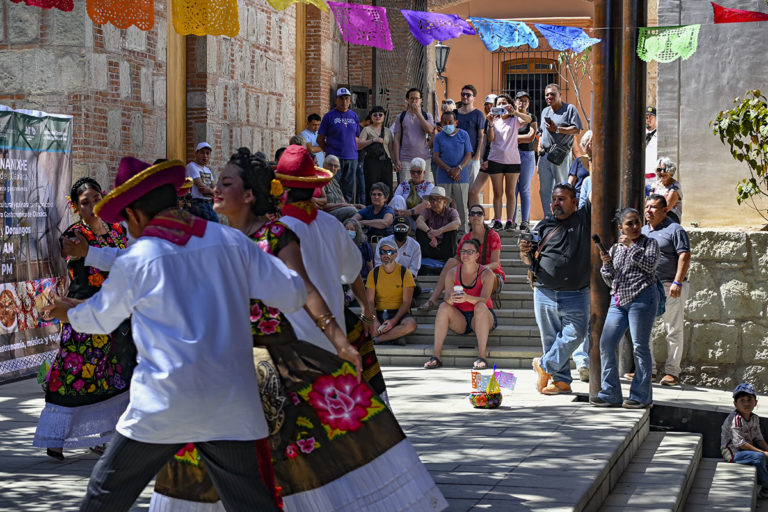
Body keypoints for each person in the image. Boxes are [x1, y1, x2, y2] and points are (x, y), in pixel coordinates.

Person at [44, 157, 307, 511]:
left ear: (135, 216)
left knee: (105, 496)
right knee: (252, 505)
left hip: (163, 404)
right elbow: (292, 294)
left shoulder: (139, 258)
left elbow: (99, 318)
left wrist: (67, 310)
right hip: (230, 403)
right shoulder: (231, 242)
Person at [33, 178, 135, 461]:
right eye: (84, 202)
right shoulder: (75, 234)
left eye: (95, 199)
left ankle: (103, 436)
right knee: (72, 373)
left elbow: (127, 263)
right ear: (75, 208)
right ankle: (55, 438)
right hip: (82, 308)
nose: (92, 206)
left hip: (115, 312)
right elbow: (68, 252)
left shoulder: (118, 231)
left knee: (109, 377)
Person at [276, 146, 378, 355]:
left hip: (293, 344)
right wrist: (368, 312)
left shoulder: (276, 232)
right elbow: (353, 273)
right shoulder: (332, 225)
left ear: (282, 188)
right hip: (333, 339)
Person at [523, 183, 591, 396]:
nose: (555, 204)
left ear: (574, 202)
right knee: (550, 339)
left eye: (561, 199)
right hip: (544, 291)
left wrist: (589, 157)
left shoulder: (584, 219)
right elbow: (528, 260)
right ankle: (561, 381)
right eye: (553, 200)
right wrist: (524, 252)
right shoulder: (543, 225)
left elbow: (598, 188)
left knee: (577, 334)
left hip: (577, 292)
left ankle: (544, 364)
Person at [590, 208, 659, 409]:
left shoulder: (650, 243)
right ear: (621, 227)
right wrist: (607, 265)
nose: (635, 227)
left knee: (640, 346)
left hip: (643, 297)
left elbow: (650, 266)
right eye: (630, 224)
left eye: (637, 222)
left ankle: (641, 396)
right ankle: (610, 392)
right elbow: (611, 278)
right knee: (607, 343)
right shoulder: (615, 248)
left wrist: (632, 248)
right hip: (619, 300)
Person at [423, 239, 497, 370]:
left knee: (480, 306)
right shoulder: (452, 273)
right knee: (443, 307)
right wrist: (451, 299)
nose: (465, 255)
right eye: (463, 251)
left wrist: (467, 298)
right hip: (460, 318)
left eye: (470, 252)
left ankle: (482, 357)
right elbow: (446, 299)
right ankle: (436, 356)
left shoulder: (487, 273)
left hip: (482, 316)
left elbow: (484, 300)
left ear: (477, 255)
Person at [642, 194, 691, 387]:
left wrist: (678, 282)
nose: (649, 211)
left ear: (665, 210)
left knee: (673, 329)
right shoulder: (643, 230)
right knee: (644, 329)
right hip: (647, 286)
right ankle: (649, 369)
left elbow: (684, 256)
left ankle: (672, 372)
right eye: (647, 207)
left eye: (653, 207)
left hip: (670, 285)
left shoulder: (674, 229)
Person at [419, 204, 503, 312]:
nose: (476, 216)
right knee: (451, 261)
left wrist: (479, 271)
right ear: (469, 217)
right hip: (471, 276)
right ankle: (433, 300)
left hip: (491, 275)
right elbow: (458, 259)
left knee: (488, 274)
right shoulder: (466, 238)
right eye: (472, 213)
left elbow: (495, 263)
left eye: (479, 213)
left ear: (484, 217)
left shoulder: (493, 235)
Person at [470, 94, 532, 231]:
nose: (501, 106)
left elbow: (529, 119)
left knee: (510, 192)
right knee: (497, 193)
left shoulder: (515, 119)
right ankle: (498, 220)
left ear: (509, 104)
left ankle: (510, 221)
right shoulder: (492, 120)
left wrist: (514, 111)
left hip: (513, 160)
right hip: (495, 159)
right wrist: (491, 123)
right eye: (499, 103)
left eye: (504, 103)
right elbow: (490, 139)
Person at [537, 84, 584, 216]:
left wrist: (557, 129)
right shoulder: (545, 111)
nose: (549, 97)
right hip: (545, 156)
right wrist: (539, 146)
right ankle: (549, 217)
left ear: (559, 95)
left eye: (552, 94)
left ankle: (563, 216)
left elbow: (577, 129)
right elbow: (541, 132)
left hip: (560, 156)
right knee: (545, 190)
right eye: (547, 94)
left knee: (562, 188)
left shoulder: (569, 109)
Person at [720, 382, 768, 499]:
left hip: (746, 449)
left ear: (755, 402)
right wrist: (763, 453)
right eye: (742, 400)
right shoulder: (735, 419)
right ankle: (766, 489)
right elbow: (739, 444)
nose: (746, 403)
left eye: (750, 400)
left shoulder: (754, 418)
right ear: (735, 404)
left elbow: (758, 438)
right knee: (759, 457)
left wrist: (767, 450)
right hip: (733, 452)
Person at [366, 240, 418, 346]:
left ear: (396, 254)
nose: (386, 255)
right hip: (380, 312)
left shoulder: (405, 272)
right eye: (383, 252)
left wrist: (394, 321)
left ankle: (379, 339)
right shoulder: (373, 273)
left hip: (399, 313)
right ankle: (394, 337)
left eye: (389, 252)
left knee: (411, 325)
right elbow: (370, 301)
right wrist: (375, 321)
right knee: (363, 323)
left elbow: (406, 302)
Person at [318, 87, 361, 203]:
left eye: (347, 98)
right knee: (332, 186)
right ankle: (333, 207)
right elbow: (320, 139)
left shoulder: (354, 116)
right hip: (334, 158)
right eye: (341, 98)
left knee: (349, 187)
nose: (344, 101)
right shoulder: (329, 116)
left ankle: (347, 209)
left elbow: (357, 137)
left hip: (351, 157)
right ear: (336, 100)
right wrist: (329, 152)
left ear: (350, 101)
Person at [432, 110, 473, 232]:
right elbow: (436, 156)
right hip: (443, 176)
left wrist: (458, 169)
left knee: (461, 206)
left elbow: (468, 153)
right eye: (444, 123)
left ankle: (463, 232)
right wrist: (449, 170)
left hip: (461, 177)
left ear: (456, 122)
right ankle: (444, 232)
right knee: (442, 207)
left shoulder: (464, 135)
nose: (447, 125)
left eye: (450, 122)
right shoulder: (438, 137)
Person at [392, 88, 435, 183]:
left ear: (421, 100)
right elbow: (396, 139)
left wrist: (418, 114)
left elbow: (430, 130)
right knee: (406, 188)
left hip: (424, 157)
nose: (414, 101)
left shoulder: (427, 116)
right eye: (411, 98)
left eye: (416, 98)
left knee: (424, 188)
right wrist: (397, 160)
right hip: (405, 158)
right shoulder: (401, 117)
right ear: (407, 100)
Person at [359, 106, 394, 204]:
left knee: (388, 186)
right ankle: (370, 209)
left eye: (380, 114)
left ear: (384, 116)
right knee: (371, 185)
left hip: (386, 161)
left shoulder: (387, 131)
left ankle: (387, 210)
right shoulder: (367, 129)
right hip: (371, 161)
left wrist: (395, 161)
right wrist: (373, 140)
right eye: (375, 114)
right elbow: (359, 145)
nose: (377, 116)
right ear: (371, 117)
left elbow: (390, 148)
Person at [415, 186, 461, 263]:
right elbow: (419, 221)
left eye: (438, 200)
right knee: (419, 230)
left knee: (452, 231)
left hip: (445, 247)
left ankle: (448, 261)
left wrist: (440, 231)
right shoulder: (427, 211)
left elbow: (457, 223)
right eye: (432, 200)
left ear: (445, 202)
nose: (434, 203)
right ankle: (424, 260)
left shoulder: (451, 211)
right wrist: (429, 232)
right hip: (431, 245)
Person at [513, 91, 538, 232]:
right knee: (512, 190)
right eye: (520, 100)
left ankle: (525, 221)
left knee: (524, 188)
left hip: (527, 155)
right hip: (511, 155)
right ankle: (511, 220)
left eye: (525, 101)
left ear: (528, 104)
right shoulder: (511, 117)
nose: (522, 103)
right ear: (515, 102)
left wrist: (512, 138)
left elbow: (531, 137)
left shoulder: (532, 117)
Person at [456, 85, 486, 193]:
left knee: (472, 191)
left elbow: (481, 136)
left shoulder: (479, 115)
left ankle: (471, 210)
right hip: (456, 158)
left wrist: (477, 156)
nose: (465, 97)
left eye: (468, 95)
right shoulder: (455, 114)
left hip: (472, 158)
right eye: (463, 94)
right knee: (458, 191)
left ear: (474, 98)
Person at [314, 154, 361, 222]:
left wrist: (358, 205)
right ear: (324, 165)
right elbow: (322, 206)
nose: (333, 168)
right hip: (328, 213)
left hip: (341, 210)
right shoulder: (321, 181)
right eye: (330, 165)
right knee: (353, 211)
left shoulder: (335, 182)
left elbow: (344, 202)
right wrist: (342, 205)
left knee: (363, 210)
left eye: (335, 166)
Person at [389, 157, 434, 227]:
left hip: (421, 219)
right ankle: (401, 229)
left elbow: (426, 204)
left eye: (419, 172)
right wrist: (400, 212)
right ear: (410, 172)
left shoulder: (429, 186)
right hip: (404, 217)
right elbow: (395, 202)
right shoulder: (403, 185)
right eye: (413, 172)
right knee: (398, 198)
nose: (415, 174)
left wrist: (410, 212)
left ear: (424, 172)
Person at [375, 216, 422, 281]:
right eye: (397, 229)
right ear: (393, 229)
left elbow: (413, 269)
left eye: (403, 229)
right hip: (385, 278)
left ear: (409, 230)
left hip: (406, 279)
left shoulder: (415, 246)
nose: (400, 231)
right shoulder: (383, 242)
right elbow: (378, 264)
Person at [186, 142, 218, 222]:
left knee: (215, 229)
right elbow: (202, 188)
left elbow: (215, 189)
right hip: (199, 205)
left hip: (210, 205)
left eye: (207, 153)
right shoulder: (191, 166)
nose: (205, 156)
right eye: (202, 153)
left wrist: (211, 192)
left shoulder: (208, 170)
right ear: (196, 153)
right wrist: (212, 193)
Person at [650, 157, 683, 223]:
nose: (662, 172)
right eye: (659, 170)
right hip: (655, 216)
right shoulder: (654, 185)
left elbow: (666, 207)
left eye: (665, 170)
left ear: (670, 171)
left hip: (670, 218)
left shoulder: (675, 186)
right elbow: (650, 202)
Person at [345, 217, 375, 283]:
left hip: (362, 280)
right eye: (347, 229)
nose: (349, 231)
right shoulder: (339, 245)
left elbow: (370, 265)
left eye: (352, 229)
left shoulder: (364, 245)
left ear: (357, 231)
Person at [568, 130, 593, 203]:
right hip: (580, 198)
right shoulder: (578, 161)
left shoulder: (601, 162)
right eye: (587, 143)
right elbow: (570, 183)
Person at [644, 106, 658, 195]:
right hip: (641, 176)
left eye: (651, 117)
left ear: (656, 119)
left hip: (654, 178)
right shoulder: (640, 134)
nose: (648, 119)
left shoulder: (660, 136)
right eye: (646, 117)